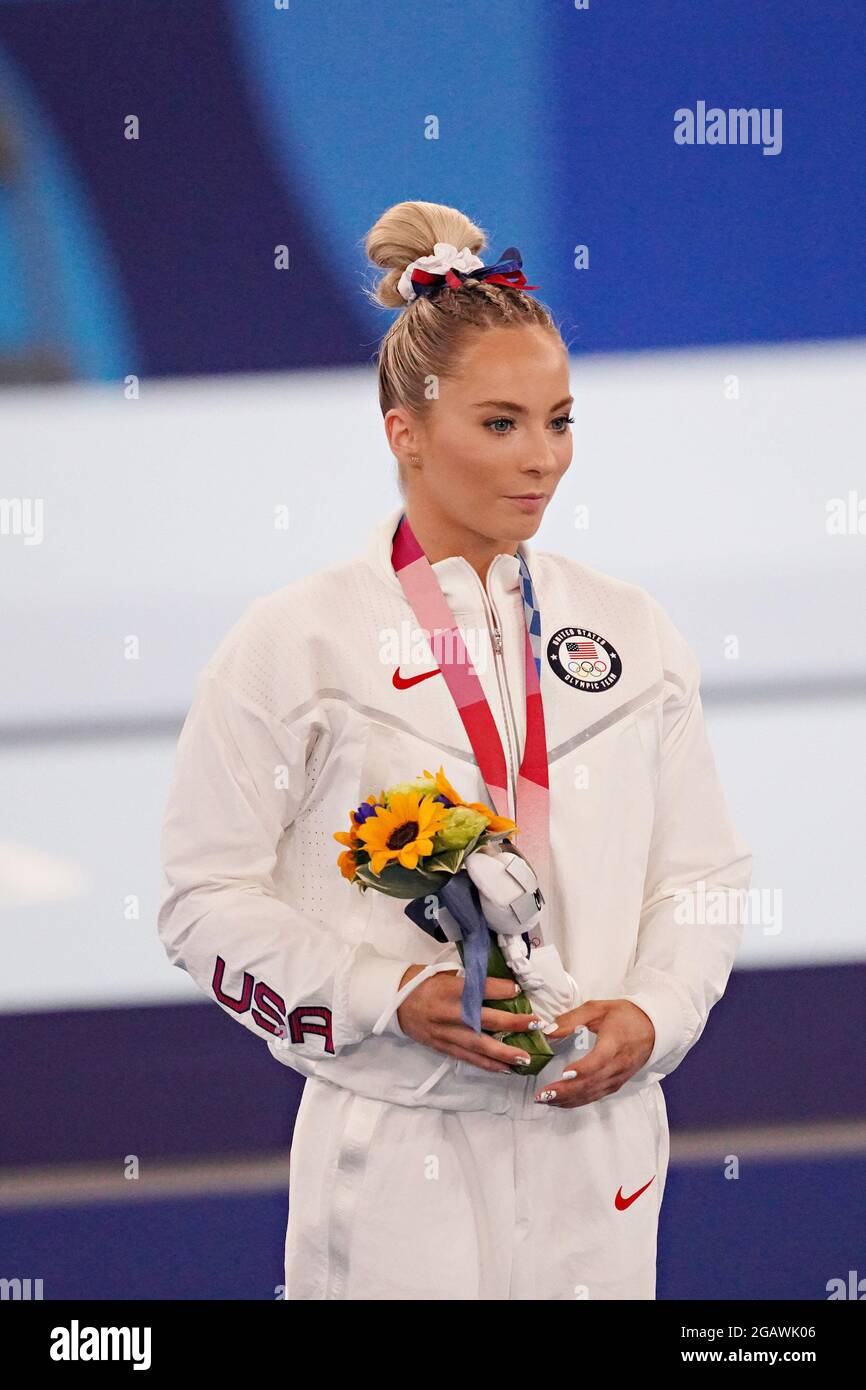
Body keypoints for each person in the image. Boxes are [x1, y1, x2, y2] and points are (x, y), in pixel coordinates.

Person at [156, 199, 753, 1301]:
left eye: (560, 420)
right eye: (500, 423)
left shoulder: (628, 629)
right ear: (405, 431)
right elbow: (200, 900)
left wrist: (651, 1015)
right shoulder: (296, 642)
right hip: (393, 1156)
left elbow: (703, 876)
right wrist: (387, 993)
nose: (543, 460)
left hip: (601, 1144)